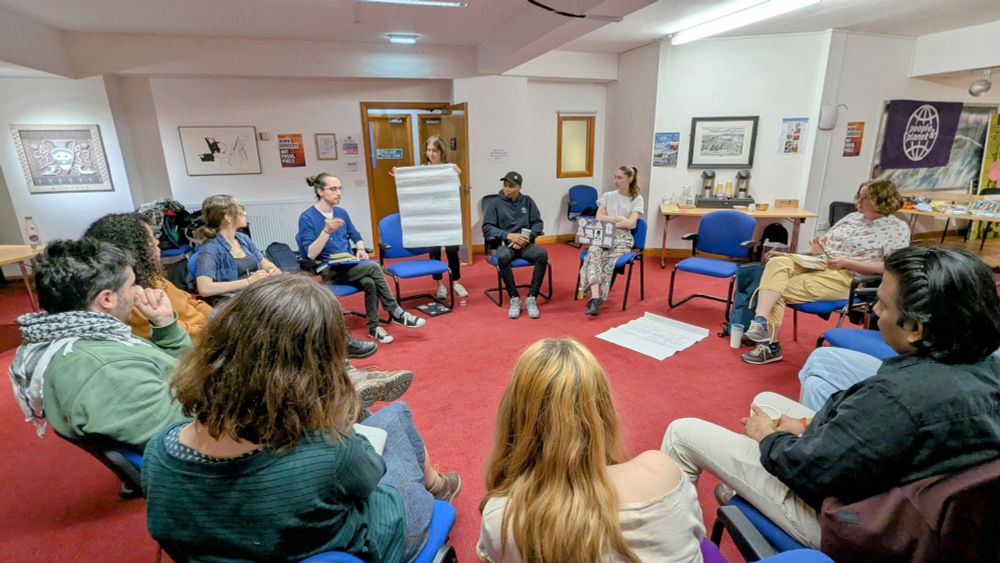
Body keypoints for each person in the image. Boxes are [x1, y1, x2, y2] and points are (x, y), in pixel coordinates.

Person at [661, 246, 1000, 548]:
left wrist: (769, 437)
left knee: (682, 432)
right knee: (769, 399)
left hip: (852, 525)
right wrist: (806, 426)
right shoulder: (984, 368)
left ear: (916, 329)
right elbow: (870, 439)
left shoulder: (896, 399)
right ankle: (746, 489)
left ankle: (675, 552)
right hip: (910, 510)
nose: (875, 310)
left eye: (882, 303)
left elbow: (809, 470)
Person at [142, 275, 460, 562]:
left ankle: (432, 479)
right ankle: (437, 487)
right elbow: (371, 474)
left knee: (384, 418)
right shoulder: (328, 453)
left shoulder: (159, 451)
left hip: (262, 539)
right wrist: (336, 423)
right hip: (378, 539)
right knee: (396, 418)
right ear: (317, 371)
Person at [479, 338, 705, 562]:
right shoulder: (663, 471)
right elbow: (696, 538)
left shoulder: (502, 516)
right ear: (603, 412)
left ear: (514, 416)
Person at [8, 239, 188, 449]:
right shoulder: (107, 369)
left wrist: (164, 323)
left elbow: (172, 369)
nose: (138, 291)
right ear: (107, 299)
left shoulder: (88, 335)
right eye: (132, 284)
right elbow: (184, 438)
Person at [741, 179, 910, 365]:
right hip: (821, 263)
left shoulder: (897, 228)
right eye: (858, 196)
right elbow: (825, 248)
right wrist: (812, 251)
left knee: (776, 290)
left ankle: (769, 346)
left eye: (865, 198)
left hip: (849, 277)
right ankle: (760, 321)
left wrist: (847, 262)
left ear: (882, 200)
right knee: (778, 261)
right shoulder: (851, 218)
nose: (858, 202)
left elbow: (890, 267)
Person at [297, 173, 426, 344]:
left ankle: (374, 327)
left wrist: (359, 248)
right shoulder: (307, 217)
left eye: (340, 189)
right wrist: (326, 231)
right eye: (333, 189)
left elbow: (356, 235)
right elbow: (311, 254)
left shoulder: (341, 212)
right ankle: (396, 312)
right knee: (374, 268)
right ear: (320, 191)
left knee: (370, 282)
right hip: (329, 270)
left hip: (348, 264)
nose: (339, 193)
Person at [84, 212, 214, 340]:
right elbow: (178, 333)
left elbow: (190, 301)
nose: (157, 242)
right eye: (150, 239)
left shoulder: (150, 275)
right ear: (134, 248)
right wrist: (216, 330)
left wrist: (217, 317)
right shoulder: (131, 296)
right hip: (198, 343)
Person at [578, 165, 644, 316]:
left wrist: (611, 222)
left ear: (630, 179)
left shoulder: (637, 198)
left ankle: (598, 297)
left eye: (620, 178)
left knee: (607, 259)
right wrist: (617, 218)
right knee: (594, 251)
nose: (616, 181)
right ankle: (595, 298)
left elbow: (631, 223)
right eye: (615, 177)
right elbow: (598, 217)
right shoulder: (607, 195)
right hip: (604, 233)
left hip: (624, 237)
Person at [482, 171, 548, 319]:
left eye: (511, 186)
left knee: (542, 255)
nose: (507, 189)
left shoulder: (528, 201)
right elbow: (487, 227)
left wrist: (526, 237)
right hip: (505, 244)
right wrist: (509, 236)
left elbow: (538, 223)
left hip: (525, 244)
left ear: (519, 187)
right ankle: (514, 297)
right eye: (505, 185)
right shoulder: (495, 204)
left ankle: (532, 297)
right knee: (503, 257)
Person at [193, 194, 281, 305]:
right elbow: (205, 288)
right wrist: (248, 281)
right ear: (228, 218)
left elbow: (262, 261)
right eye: (241, 211)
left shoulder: (243, 238)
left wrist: (273, 269)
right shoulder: (210, 248)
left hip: (252, 295)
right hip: (232, 302)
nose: (245, 213)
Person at [422, 135, 468, 301]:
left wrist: (457, 175)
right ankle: (439, 285)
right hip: (431, 217)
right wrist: (400, 175)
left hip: (448, 216)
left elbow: (454, 191)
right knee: (434, 252)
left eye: (434, 150)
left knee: (452, 251)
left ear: (441, 151)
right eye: (428, 150)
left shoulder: (450, 168)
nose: (431, 153)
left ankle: (455, 282)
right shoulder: (422, 170)